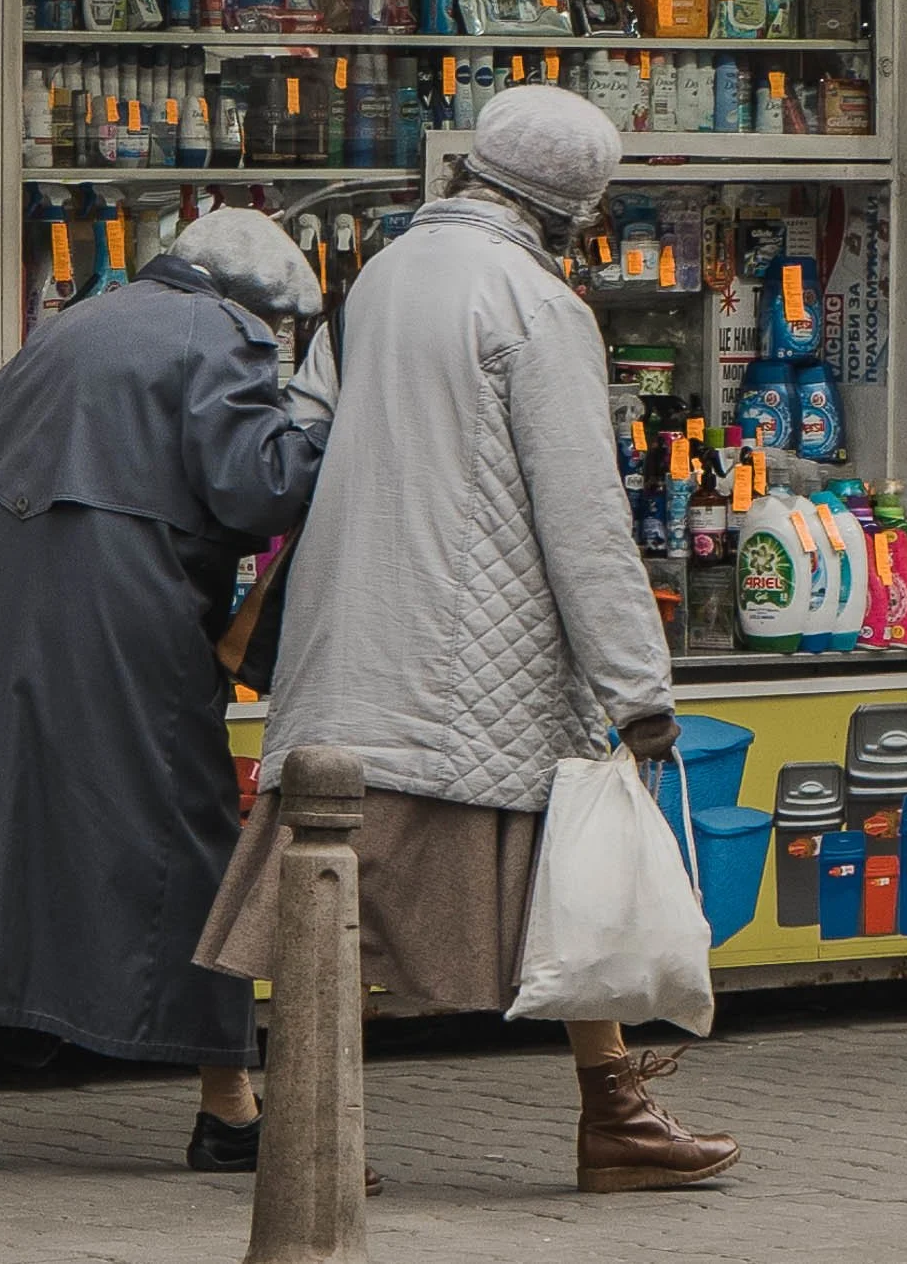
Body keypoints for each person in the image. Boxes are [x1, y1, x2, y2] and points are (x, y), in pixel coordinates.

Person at [198, 85, 740, 1194]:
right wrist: (637, 688)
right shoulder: (538, 306)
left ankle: (588, 1115)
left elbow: (304, 436)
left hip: (350, 640)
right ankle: (580, 1120)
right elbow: (583, 513)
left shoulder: (381, 276)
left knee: (337, 893)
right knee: (544, 883)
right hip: (472, 664)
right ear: (574, 209)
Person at [0, 207, 334, 1174]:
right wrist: (319, 420)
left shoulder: (80, 320)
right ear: (253, 304)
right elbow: (258, 489)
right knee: (183, 829)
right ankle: (229, 1109)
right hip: (123, 603)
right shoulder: (223, 334)